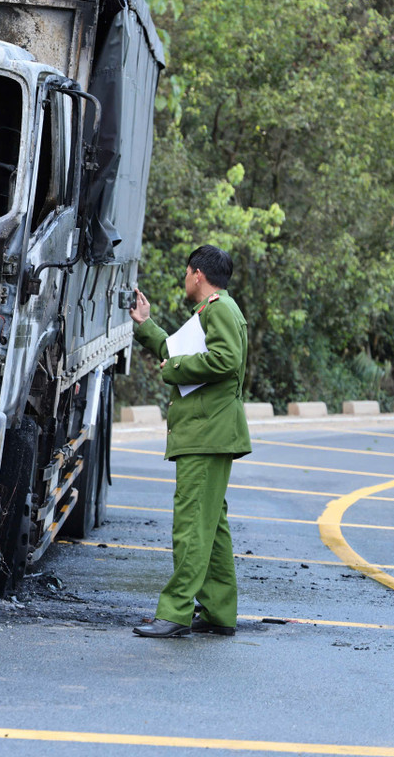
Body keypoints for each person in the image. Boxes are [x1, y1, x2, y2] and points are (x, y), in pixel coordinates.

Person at [128, 245, 251, 638]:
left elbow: (224, 360)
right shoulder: (211, 311)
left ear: (198, 274)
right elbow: (175, 353)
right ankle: (218, 611)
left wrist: (176, 368)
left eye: (186, 273)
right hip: (206, 433)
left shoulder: (219, 310)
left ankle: (175, 612)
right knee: (211, 528)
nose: (185, 280)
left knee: (192, 526)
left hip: (206, 435)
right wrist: (145, 325)